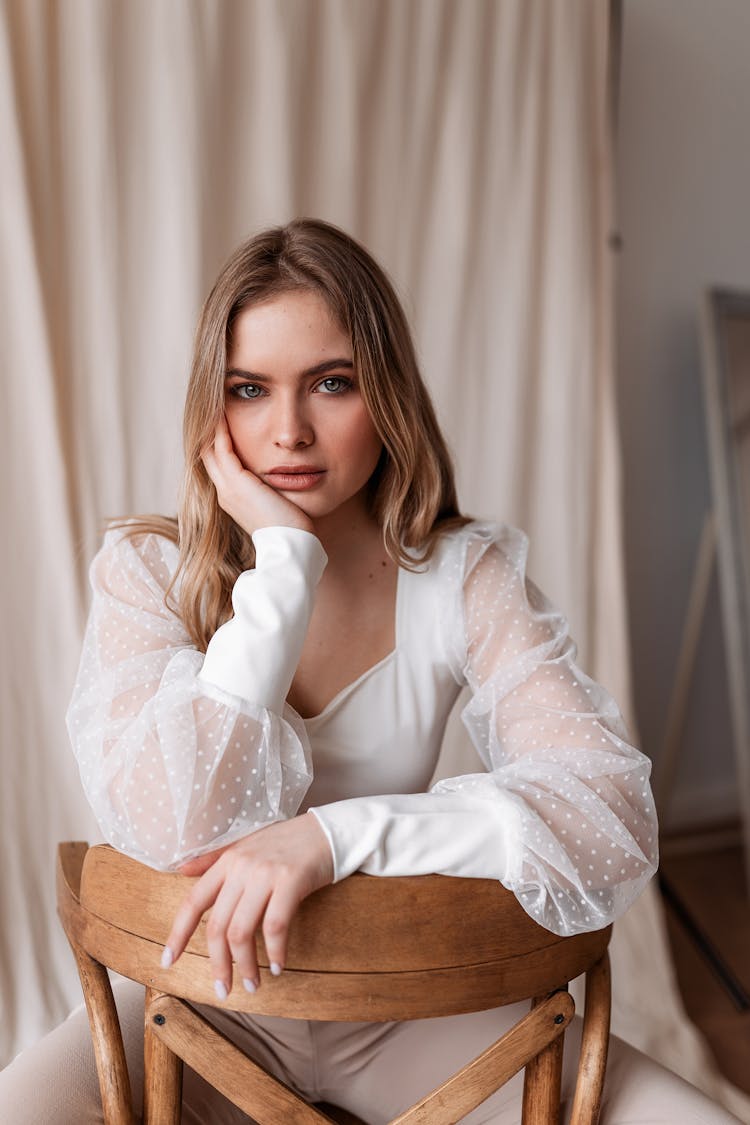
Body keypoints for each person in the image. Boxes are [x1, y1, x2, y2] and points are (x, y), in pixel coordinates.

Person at [0, 219, 739, 1123]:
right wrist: (281, 568)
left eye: (332, 382)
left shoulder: (465, 575)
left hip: (410, 1002)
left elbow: (608, 813)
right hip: (199, 999)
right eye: (249, 389)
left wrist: (337, 837)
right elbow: (184, 823)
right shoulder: (149, 572)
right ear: (213, 409)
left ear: (385, 394)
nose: (289, 431)